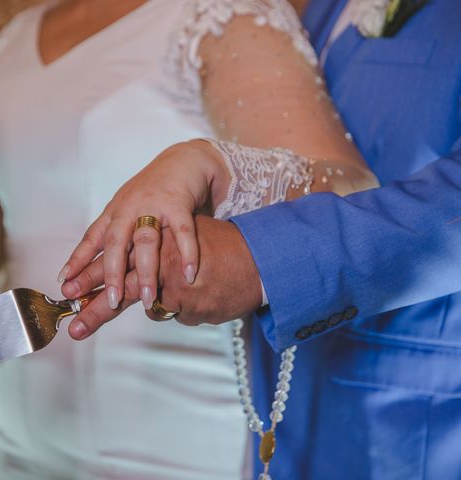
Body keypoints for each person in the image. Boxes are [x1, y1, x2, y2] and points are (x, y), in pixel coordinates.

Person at [0, 0, 378, 478]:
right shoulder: (16, 37)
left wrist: (218, 165)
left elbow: (350, 190)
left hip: (173, 441)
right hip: (10, 440)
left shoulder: (219, 14)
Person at [62, 0, 461, 478]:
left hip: (418, 428)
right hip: (274, 415)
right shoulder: (307, 10)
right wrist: (231, 173)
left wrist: (259, 256)